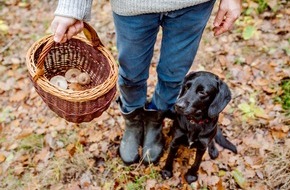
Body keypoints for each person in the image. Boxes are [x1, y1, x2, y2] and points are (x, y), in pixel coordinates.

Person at [51, 0, 241, 165]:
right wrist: (72, 7)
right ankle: (133, 121)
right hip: (132, 6)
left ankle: (155, 120)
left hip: (192, 6)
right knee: (131, 75)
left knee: (173, 77)